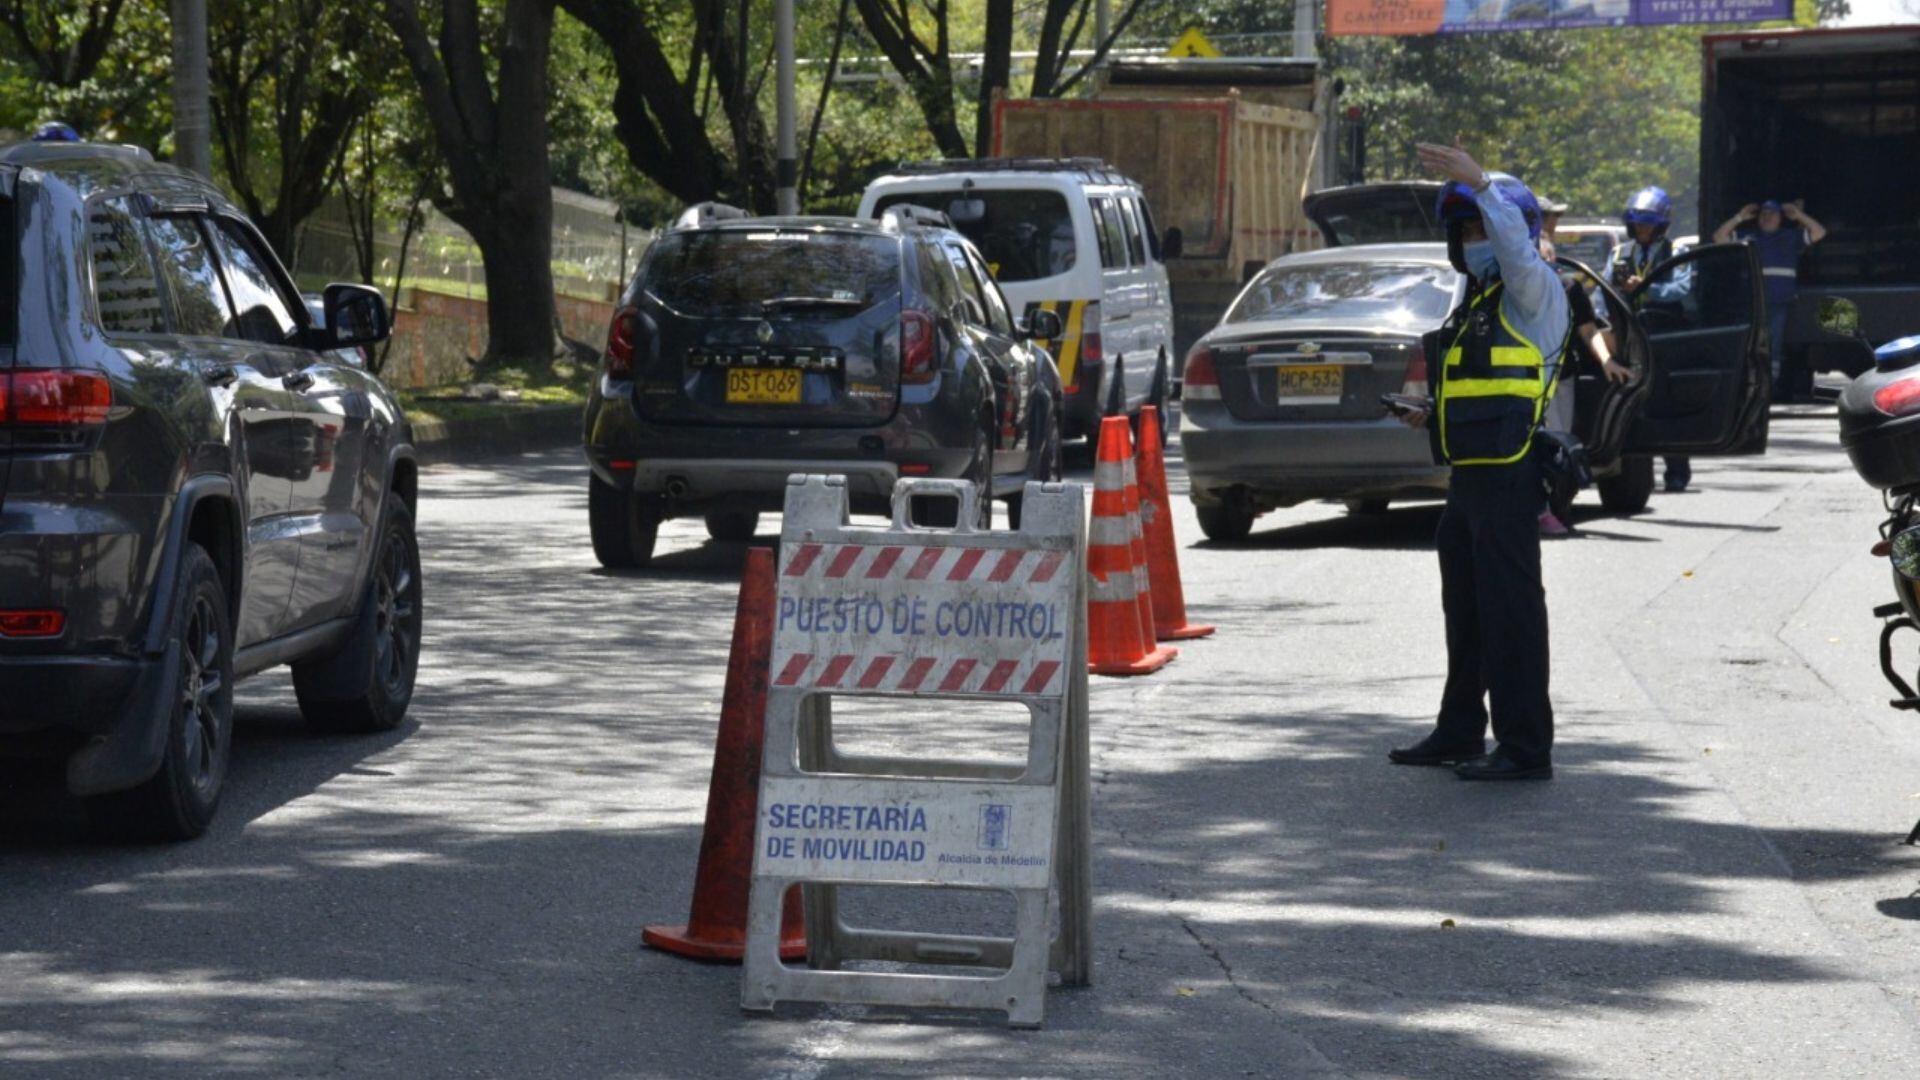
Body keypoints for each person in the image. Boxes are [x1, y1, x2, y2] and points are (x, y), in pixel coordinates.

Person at [1388, 144, 1567, 781]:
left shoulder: (1533, 291)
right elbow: (1480, 392)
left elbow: (1517, 253)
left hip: (1512, 475)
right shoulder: (1475, 304)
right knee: (1465, 610)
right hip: (1470, 478)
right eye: (1461, 229)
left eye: (1480, 227)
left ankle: (1524, 748)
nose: (1471, 239)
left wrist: (1485, 188)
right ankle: (1461, 728)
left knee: (1511, 612)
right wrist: (1427, 411)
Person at [1609, 186, 1693, 493]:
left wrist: (1644, 287)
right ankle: (1633, 473)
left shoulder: (1676, 254)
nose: (1642, 228)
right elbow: (1604, 293)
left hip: (1666, 336)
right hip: (1631, 337)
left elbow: (1680, 290)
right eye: (1638, 222)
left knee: (1668, 405)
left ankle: (1677, 473)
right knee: (1631, 405)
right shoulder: (1618, 253)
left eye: (1649, 222)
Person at [1538, 273, 1633, 537]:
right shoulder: (1513, 280)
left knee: (1558, 448)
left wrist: (1606, 361)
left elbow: (1588, 330)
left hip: (1560, 378)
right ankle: (1537, 509)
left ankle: (1555, 509)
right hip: (1520, 377)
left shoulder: (1568, 287)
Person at [1712, 199, 1826, 402]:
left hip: (1779, 303)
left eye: (1772, 214)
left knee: (1773, 346)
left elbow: (1819, 232)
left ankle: (1768, 387)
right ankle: (1750, 387)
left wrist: (1799, 216)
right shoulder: (1749, 237)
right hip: (1753, 303)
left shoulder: (1791, 237)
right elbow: (1719, 237)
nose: (1767, 218)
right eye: (1763, 214)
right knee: (1750, 345)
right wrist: (1739, 217)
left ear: (1781, 219)